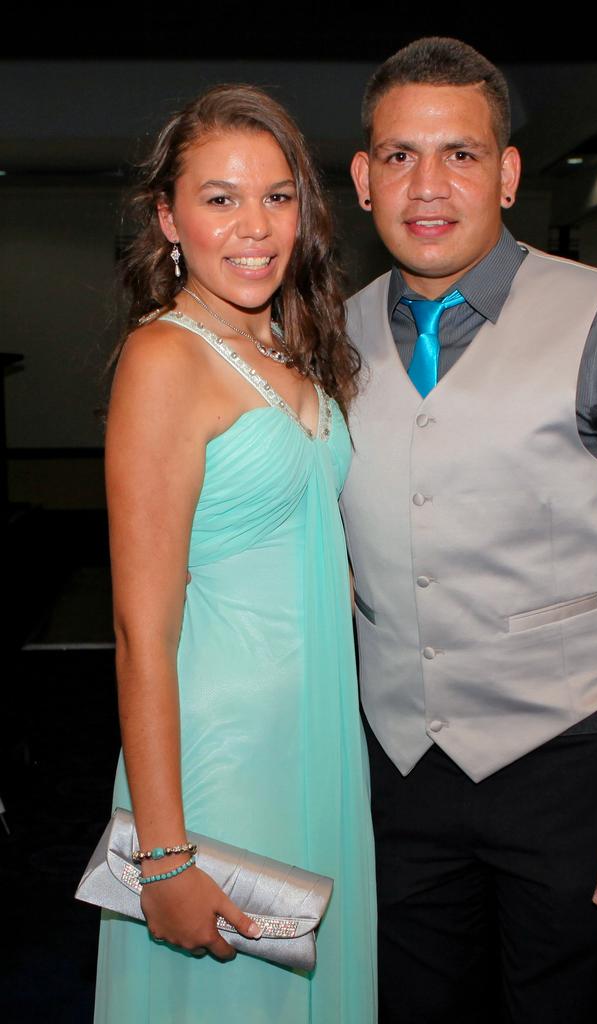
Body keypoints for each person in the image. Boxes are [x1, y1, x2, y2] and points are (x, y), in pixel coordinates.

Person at [340, 37, 597, 1023]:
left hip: (571, 765)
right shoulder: (323, 334)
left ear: (508, 172)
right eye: (399, 155)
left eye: (461, 154)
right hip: (392, 776)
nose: (428, 185)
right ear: (361, 178)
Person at [95, 84, 376, 1023]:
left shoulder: (295, 347)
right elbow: (141, 631)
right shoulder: (162, 360)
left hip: (320, 738)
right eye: (219, 198)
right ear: (167, 217)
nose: (254, 227)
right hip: (221, 759)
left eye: (278, 196)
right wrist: (165, 855)